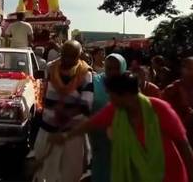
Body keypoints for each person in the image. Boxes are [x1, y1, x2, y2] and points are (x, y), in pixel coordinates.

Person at [49, 73, 193, 182]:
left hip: (169, 176)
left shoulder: (160, 109)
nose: (110, 99)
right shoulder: (116, 110)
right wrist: (66, 136)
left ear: (127, 95)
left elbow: (183, 144)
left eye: (112, 96)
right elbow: (91, 123)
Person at [33, 40, 93, 182]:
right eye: (65, 55)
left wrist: (65, 116)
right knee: (44, 171)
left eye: (72, 56)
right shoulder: (50, 68)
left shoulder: (86, 74)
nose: (68, 59)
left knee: (71, 174)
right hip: (48, 129)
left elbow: (86, 104)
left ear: (79, 56)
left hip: (71, 134)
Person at [90, 53, 127, 182]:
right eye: (109, 68)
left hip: (122, 136)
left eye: (116, 68)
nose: (112, 72)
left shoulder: (128, 84)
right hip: (98, 135)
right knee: (100, 166)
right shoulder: (95, 81)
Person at [163, 57, 193, 145]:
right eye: (189, 68)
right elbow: (166, 116)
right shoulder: (171, 90)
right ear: (182, 69)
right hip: (180, 137)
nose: (191, 72)